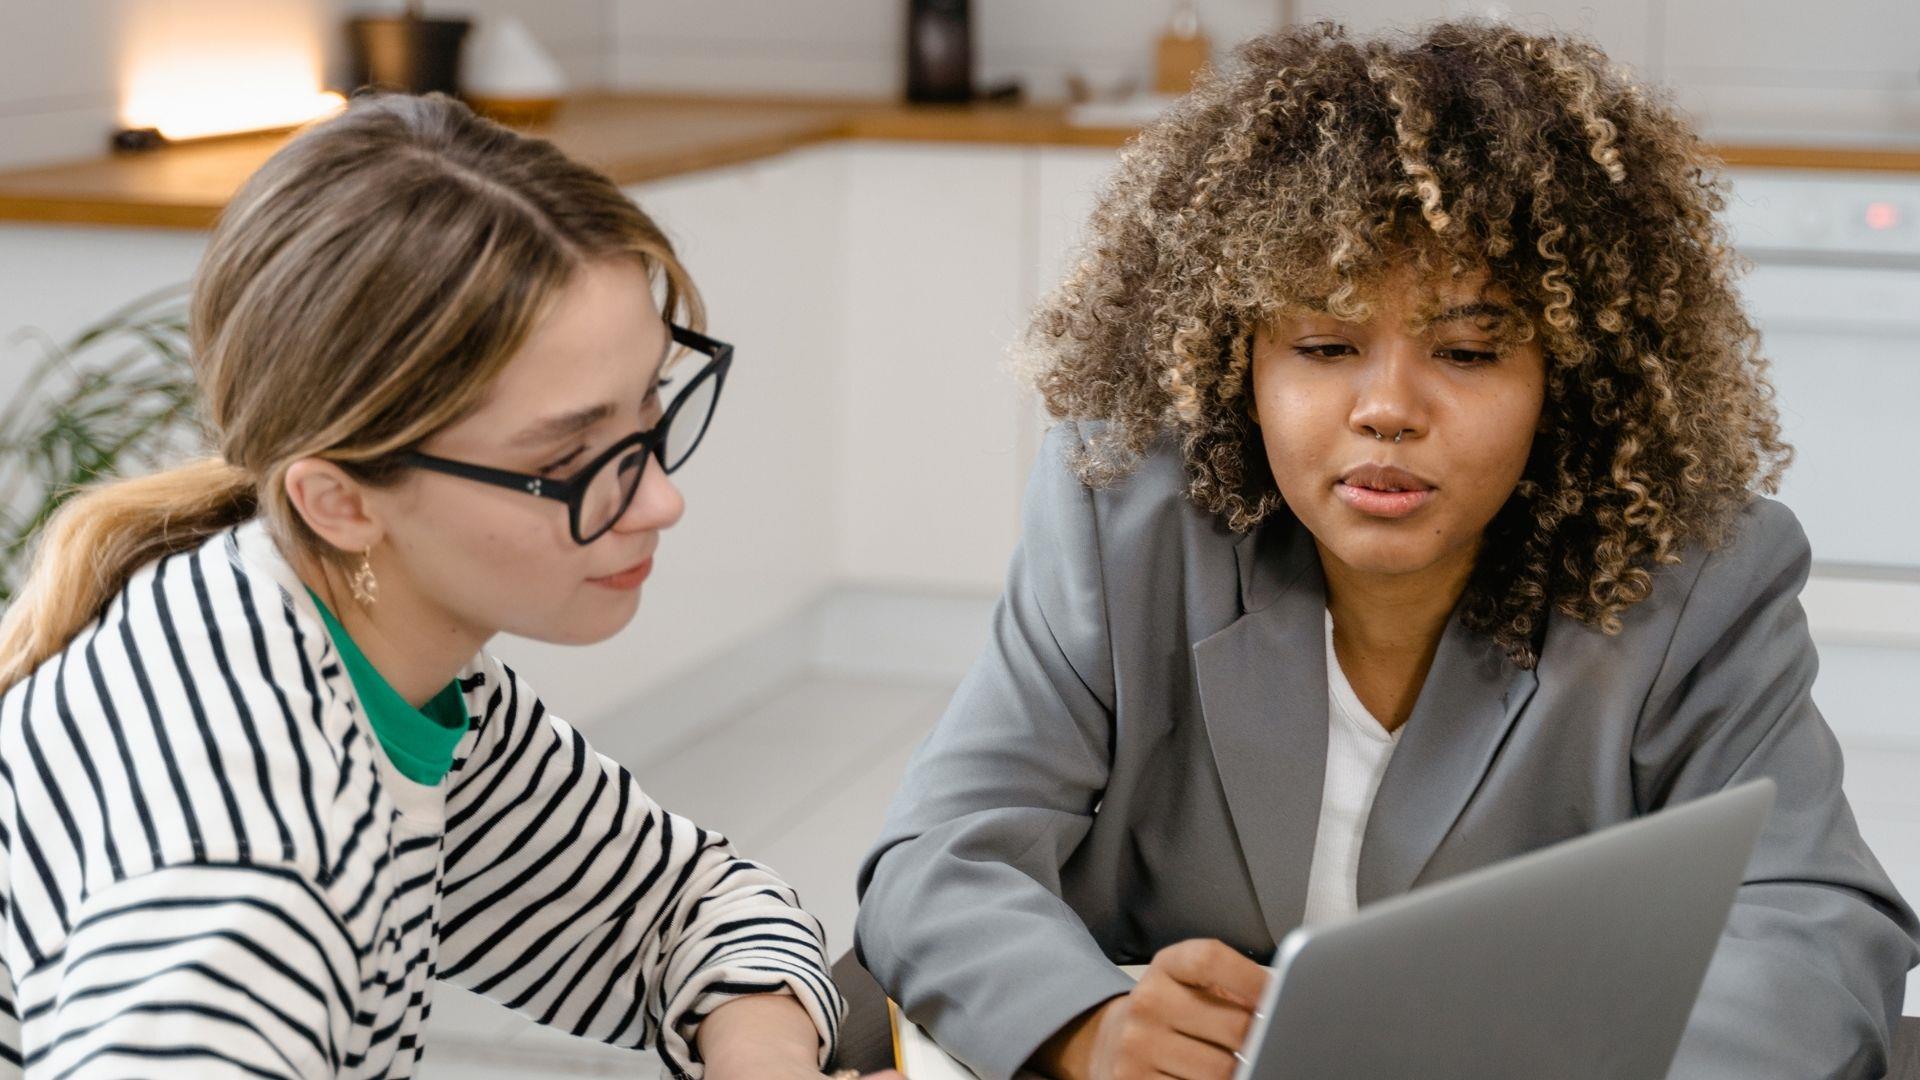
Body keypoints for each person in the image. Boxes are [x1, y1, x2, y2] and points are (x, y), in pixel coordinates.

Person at [854, 20, 1920, 1080]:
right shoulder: (1124, 516)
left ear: (1569, 376)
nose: (1388, 411)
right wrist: (1087, 1027)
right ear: (1242, 363)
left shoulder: (1695, 574)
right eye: (1325, 346)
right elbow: (939, 857)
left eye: (1465, 351)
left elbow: (1818, 925)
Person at [0, 93, 895, 1080]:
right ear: (340, 500)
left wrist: (758, 1061)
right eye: (573, 456)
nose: (662, 501)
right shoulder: (242, 857)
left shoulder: (384, 667)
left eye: (651, 417)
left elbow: (691, 902)